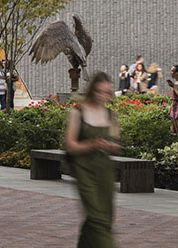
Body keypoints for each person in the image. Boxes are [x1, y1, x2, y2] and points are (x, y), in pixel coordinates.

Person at [65, 71, 121, 248]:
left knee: (105, 216)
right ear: (92, 90)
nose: (103, 96)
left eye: (107, 92)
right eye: (99, 91)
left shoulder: (111, 115)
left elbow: (116, 144)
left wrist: (110, 146)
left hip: (104, 171)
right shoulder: (78, 113)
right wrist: (92, 144)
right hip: (84, 171)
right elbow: (70, 146)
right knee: (98, 218)